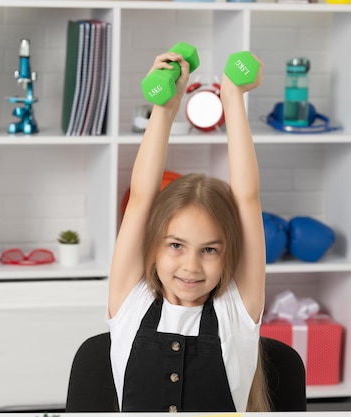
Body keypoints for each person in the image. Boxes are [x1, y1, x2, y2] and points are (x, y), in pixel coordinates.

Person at [107, 49, 268, 412]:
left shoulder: (237, 312)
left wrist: (232, 97)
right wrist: (165, 108)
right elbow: (142, 197)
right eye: (176, 245)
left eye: (209, 249)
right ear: (153, 247)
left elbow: (247, 198)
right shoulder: (129, 303)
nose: (191, 266)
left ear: (229, 253)